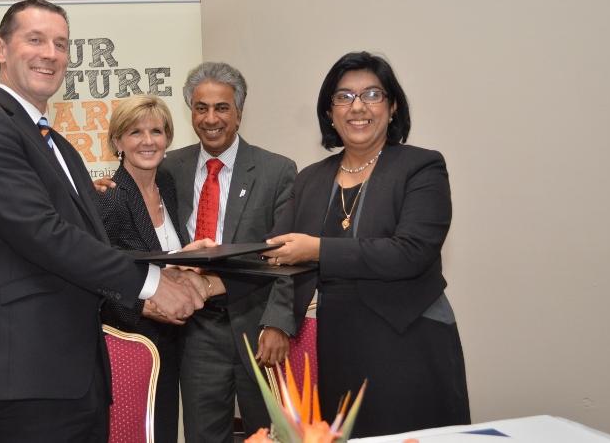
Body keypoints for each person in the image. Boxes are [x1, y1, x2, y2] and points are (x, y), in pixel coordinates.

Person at [0, 0, 203, 442]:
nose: (50, 53)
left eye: (60, 44)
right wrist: (155, 284)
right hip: (21, 371)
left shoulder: (60, 148)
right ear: (0, 49)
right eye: (35, 40)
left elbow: (91, 247)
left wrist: (159, 286)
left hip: (79, 372)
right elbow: (44, 235)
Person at [264, 51, 471, 437]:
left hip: (409, 341)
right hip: (340, 345)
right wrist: (212, 261)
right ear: (329, 112)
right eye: (343, 97)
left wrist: (318, 250)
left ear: (392, 108)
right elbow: (277, 250)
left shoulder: (421, 167)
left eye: (372, 95)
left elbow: (411, 253)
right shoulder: (311, 178)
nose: (357, 107)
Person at [167, 62, 302, 442]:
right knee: (203, 435)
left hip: (257, 327)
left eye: (222, 108)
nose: (211, 118)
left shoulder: (277, 171)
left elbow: (287, 254)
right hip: (196, 331)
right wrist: (107, 190)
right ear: (191, 111)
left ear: (239, 112)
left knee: (270, 435)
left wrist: (277, 321)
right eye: (201, 107)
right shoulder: (169, 168)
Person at [97, 95, 218, 443]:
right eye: (135, 132)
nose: (148, 141)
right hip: (131, 342)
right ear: (117, 141)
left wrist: (189, 255)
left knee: (165, 430)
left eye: (157, 131)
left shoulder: (166, 184)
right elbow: (97, 275)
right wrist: (141, 306)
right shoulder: (109, 198)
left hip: (172, 340)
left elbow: (157, 255)